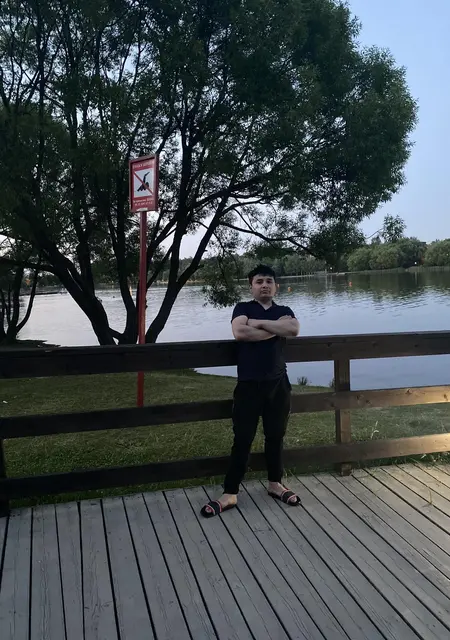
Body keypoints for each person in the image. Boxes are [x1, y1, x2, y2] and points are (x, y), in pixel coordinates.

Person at [201, 264, 300, 518]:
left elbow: (293, 330)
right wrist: (274, 328)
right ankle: (230, 493)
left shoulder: (284, 311)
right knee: (243, 438)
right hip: (248, 385)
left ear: (276, 286)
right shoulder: (242, 308)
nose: (264, 285)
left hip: (279, 384)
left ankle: (275, 484)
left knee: (275, 436)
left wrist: (259, 324)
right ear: (251, 287)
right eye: (259, 281)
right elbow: (240, 332)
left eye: (269, 281)